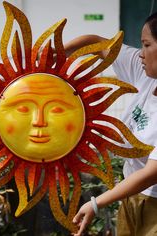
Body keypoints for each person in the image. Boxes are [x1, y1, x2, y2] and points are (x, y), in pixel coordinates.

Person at [63, 12, 157, 236]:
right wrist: (53, 56)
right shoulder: (146, 74)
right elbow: (96, 44)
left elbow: (152, 173)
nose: (140, 54)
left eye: (146, 44)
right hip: (131, 197)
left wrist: (95, 203)